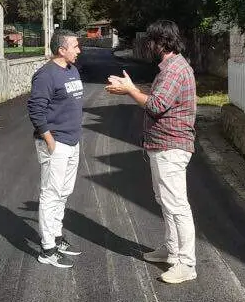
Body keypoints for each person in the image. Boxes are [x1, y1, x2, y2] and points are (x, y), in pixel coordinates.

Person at [105, 20, 197, 284]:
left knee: (176, 205)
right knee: (165, 200)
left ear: (161, 42)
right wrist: (132, 88)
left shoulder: (174, 70)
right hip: (163, 145)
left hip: (171, 146)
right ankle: (172, 250)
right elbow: (160, 98)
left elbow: (156, 105)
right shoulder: (171, 68)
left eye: (151, 40)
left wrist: (130, 90)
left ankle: (186, 264)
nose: (149, 45)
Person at [27, 30, 84, 268]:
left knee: (63, 192)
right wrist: (49, 140)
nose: (79, 50)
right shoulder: (46, 75)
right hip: (56, 143)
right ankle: (47, 249)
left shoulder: (72, 70)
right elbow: (35, 109)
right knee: (51, 194)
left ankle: (57, 237)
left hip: (72, 142)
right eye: (75, 46)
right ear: (61, 50)